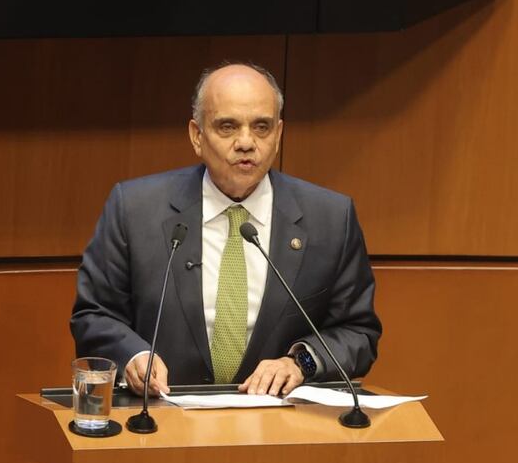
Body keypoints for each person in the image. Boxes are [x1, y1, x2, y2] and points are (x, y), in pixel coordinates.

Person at [71, 62, 381, 397]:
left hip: (280, 428)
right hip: (162, 421)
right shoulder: (134, 209)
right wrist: (135, 355)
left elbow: (358, 332)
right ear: (197, 136)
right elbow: (94, 314)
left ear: (278, 135)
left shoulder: (331, 218)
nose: (246, 142)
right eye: (227, 127)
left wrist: (300, 362)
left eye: (261, 127)